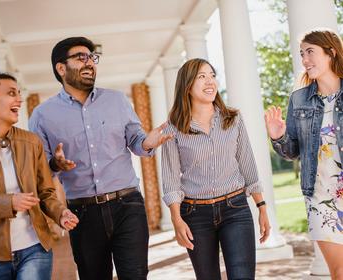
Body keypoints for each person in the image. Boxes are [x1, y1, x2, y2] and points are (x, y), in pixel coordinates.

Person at [29, 37, 172, 280]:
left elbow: (136, 141)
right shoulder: (42, 115)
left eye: (92, 58)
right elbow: (38, 170)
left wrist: (147, 143)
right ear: (61, 68)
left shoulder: (117, 101)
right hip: (82, 213)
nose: (90, 63)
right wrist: (55, 164)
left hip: (127, 205)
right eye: (80, 57)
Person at [162, 58, 270, 280]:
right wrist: (176, 219)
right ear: (187, 85)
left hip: (235, 209)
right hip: (194, 214)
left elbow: (248, 164)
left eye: (212, 75)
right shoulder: (173, 128)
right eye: (202, 77)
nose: (209, 81)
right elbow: (171, 178)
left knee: (242, 276)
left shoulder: (233, 119)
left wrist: (262, 207)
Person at [0, 72, 79, 280]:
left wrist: (60, 213)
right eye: (11, 93)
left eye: (19, 93)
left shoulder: (31, 142)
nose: (19, 99)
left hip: (35, 247)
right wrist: (9, 203)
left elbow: (45, 192)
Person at [265, 29, 343, 279]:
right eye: (302, 54)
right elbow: (292, 152)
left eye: (310, 52)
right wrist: (278, 136)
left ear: (331, 53)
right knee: (339, 271)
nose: (305, 59)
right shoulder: (299, 100)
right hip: (320, 197)